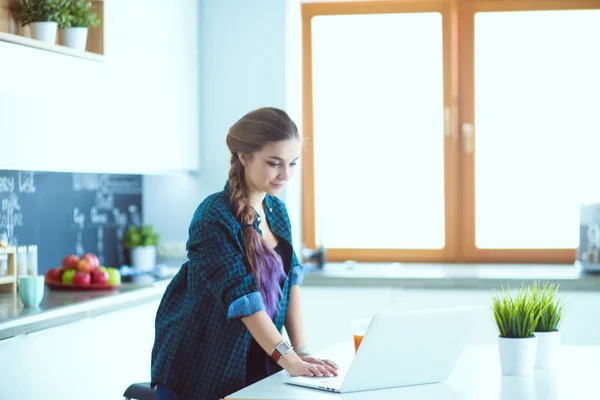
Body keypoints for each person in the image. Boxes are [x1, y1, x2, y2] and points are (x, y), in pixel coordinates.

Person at [150, 107, 338, 400]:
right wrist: (290, 360)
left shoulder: (277, 210)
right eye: (274, 163)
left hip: (258, 365)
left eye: (292, 164)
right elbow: (243, 299)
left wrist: (301, 353)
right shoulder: (213, 216)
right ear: (244, 156)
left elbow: (292, 284)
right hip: (200, 370)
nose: (285, 175)